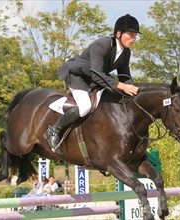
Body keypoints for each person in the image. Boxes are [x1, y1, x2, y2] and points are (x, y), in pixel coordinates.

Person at [44, 14, 141, 150]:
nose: (134, 39)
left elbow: (125, 77)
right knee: (85, 107)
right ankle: (53, 130)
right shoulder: (102, 45)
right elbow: (96, 74)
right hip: (78, 76)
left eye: (135, 36)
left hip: (94, 79)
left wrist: (138, 89)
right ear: (119, 34)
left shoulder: (126, 52)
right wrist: (121, 86)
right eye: (131, 35)